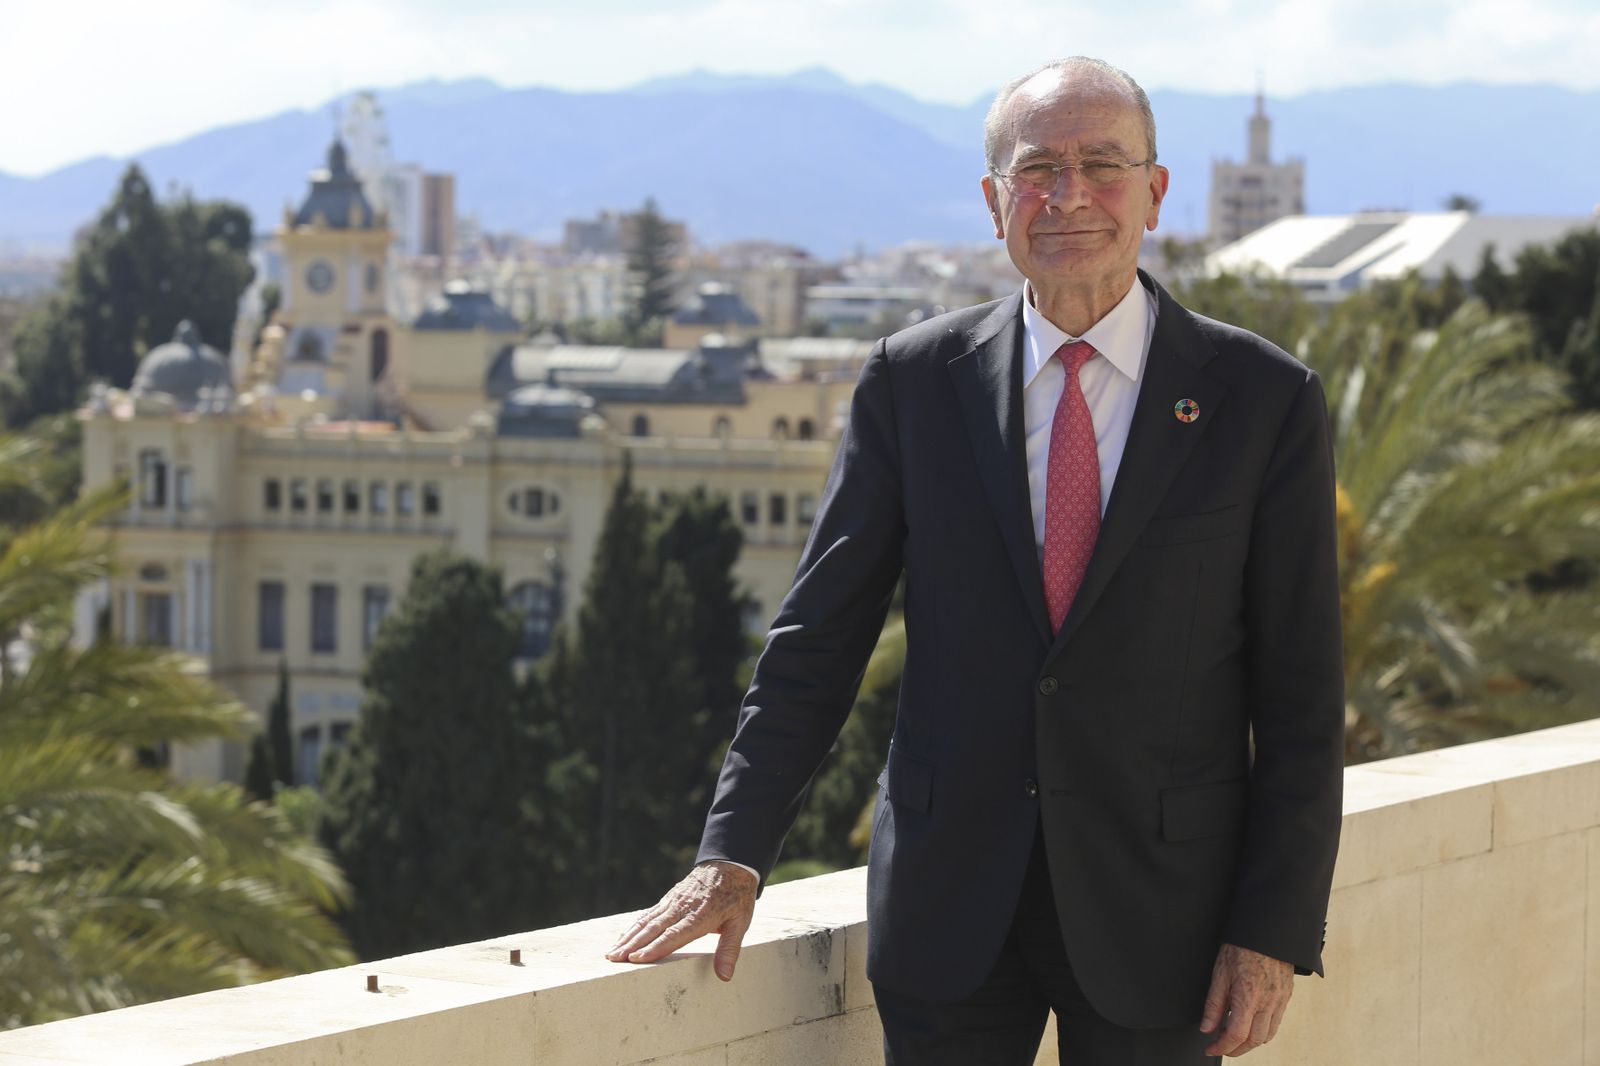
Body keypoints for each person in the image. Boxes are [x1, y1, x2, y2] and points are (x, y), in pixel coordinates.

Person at [609, 56, 1344, 1065]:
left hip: (1166, 921)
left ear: (1156, 193)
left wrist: (1272, 930)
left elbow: (1301, 696)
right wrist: (732, 852)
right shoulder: (911, 382)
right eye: (1037, 169)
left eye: (1101, 165)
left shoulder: (1262, 398)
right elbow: (818, 638)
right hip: (948, 914)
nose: (1068, 195)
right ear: (995, 202)